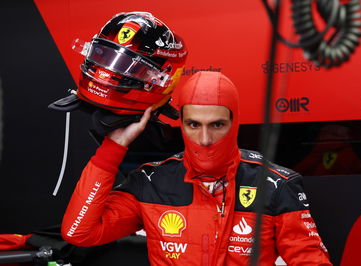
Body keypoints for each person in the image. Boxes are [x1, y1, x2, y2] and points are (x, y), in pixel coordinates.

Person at [61, 70, 332, 265]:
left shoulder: (275, 184)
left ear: (233, 123)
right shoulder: (151, 182)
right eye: (193, 125)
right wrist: (113, 147)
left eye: (216, 125)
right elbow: (79, 232)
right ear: (182, 124)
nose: (204, 139)